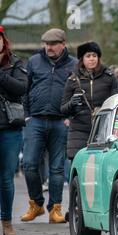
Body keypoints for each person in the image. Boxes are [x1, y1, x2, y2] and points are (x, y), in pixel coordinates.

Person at [21, 28, 77, 224]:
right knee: (28, 164)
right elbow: (24, 90)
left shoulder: (74, 64)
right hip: (35, 120)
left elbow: (78, 93)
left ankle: (55, 208)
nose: (49, 47)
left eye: (53, 44)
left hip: (60, 121)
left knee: (57, 169)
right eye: (46, 44)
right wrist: (26, 116)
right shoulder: (34, 61)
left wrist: (70, 116)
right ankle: (36, 204)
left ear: (63, 44)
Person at [61, 42, 118, 161]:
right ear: (82, 59)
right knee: (78, 165)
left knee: (102, 163)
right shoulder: (72, 80)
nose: (92, 59)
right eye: (88, 56)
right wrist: (72, 103)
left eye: (94, 55)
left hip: (103, 129)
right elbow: (63, 109)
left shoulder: (109, 77)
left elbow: (116, 102)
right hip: (79, 130)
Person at [0, 25, 28, 235]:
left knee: (7, 178)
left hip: (9, 128)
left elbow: (21, 88)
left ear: (3, 41)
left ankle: (7, 221)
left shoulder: (15, 63)